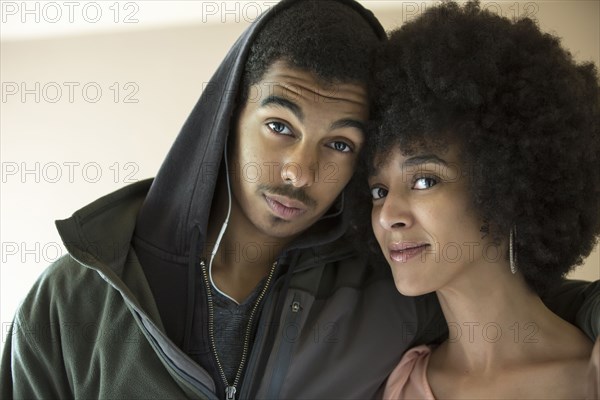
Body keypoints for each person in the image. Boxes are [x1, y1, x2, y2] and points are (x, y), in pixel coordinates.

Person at [1, 1, 598, 399]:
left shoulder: (387, 288)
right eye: (280, 125)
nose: (299, 171)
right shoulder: (72, 301)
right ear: (229, 116)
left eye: (340, 143)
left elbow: (514, 295)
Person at [367, 1, 600, 398]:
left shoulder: (589, 376)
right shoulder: (396, 387)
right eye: (378, 191)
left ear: (509, 185)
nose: (388, 215)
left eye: (424, 180)